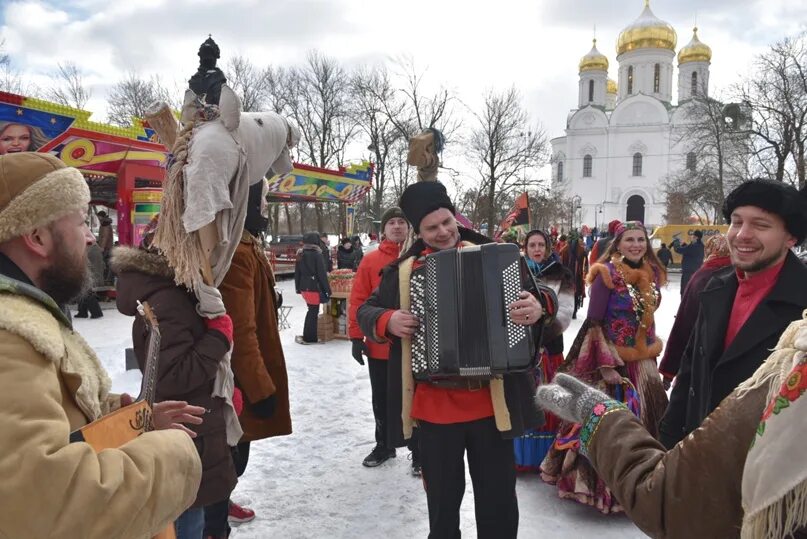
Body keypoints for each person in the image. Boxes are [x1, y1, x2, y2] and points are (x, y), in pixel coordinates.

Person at [0, 152, 203, 538]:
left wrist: (127, 421)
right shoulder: (9, 338)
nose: (91, 236)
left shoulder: (26, 319)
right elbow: (47, 503)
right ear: (37, 237)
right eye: (80, 222)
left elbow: (59, 430)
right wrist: (175, 454)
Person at [358, 181, 553, 539]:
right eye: (432, 228)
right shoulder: (404, 271)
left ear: (454, 216)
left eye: (447, 222)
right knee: (443, 506)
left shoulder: (498, 256)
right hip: (435, 408)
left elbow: (544, 296)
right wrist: (388, 320)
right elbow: (365, 312)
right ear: (419, 230)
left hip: (493, 405)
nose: (443, 232)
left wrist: (538, 308)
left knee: (498, 504)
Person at [535, 309, 807, 538]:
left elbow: (671, 500)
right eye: (628, 239)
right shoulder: (712, 285)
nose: (736, 241)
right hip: (630, 370)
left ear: (791, 241)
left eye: (640, 240)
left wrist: (600, 414)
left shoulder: (793, 371)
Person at [112, 217, 238, 539]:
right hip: (187, 429)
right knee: (186, 522)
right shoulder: (168, 299)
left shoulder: (173, 291)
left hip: (192, 424)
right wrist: (218, 339)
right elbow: (173, 377)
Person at [659, 179, 807, 449]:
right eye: (737, 222)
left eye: (760, 225)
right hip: (698, 454)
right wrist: (668, 442)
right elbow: (691, 370)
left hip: (762, 470)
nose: (741, 235)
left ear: (791, 237)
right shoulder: (716, 286)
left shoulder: (802, 301)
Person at [540, 220, 668, 514]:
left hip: (644, 362)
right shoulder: (605, 274)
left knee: (650, 426)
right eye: (629, 240)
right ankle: (607, 491)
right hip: (614, 364)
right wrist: (606, 364)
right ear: (618, 244)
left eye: (640, 240)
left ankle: (646, 487)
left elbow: (648, 319)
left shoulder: (652, 273)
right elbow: (594, 323)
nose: (636, 245)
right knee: (610, 428)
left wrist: (651, 354)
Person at [214, 181, 292, 534]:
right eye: (259, 198)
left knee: (234, 453)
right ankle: (217, 506)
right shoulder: (237, 251)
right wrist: (262, 389)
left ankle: (221, 498)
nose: (265, 204)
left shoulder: (247, 243)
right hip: (236, 381)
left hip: (240, 375)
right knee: (229, 452)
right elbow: (239, 331)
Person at [347, 207, 415, 470]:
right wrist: (355, 337)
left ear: (408, 228)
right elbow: (358, 300)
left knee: (415, 399)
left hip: (413, 346)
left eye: (402, 222)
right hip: (380, 346)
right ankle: (384, 445)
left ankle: (418, 449)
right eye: (392, 223)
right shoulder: (370, 260)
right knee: (382, 398)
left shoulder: (418, 256)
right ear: (383, 229)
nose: (397, 226)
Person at [514, 229, 574, 471]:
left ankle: (546, 457)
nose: (537, 249)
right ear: (525, 248)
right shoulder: (515, 272)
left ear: (548, 248)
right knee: (524, 402)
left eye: (541, 245)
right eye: (532, 245)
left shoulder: (562, 274)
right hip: (521, 350)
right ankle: (522, 457)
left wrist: (540, 336)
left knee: (549, 403)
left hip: (549, 349)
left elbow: (564, 315)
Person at [658, 233, 731, 387]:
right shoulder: (744, 275)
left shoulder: (703, 277)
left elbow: (684, 324)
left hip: (700, 358)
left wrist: (669, 370)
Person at [294, 232, 331, 344]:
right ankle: (310, 337)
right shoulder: (317, 254)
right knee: (313, 311)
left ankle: (309, 336)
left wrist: (298, 288)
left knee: (311, 310)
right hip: (314, 286)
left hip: (304, 287)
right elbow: (321, 274)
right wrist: (327, 290)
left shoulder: (301, 253)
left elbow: (297, 272)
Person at [559, 230, 588, 319]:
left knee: (568, 293)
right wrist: (585, 273)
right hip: (577, 276)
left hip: (567, 275)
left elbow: (561, 263)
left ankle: (569, 310)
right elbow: (586, 264)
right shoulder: (581, 249)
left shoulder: (564, 250)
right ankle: (574, 311)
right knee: (576, 293)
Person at [75, 242, 104, 318]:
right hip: (93, 273)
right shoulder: (95, 249)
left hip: (88, 273)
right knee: (83, 291)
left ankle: (96, 312)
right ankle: (82, 311)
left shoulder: (88, 250)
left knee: (87, 292)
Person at [672, 229, 704, 294]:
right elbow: (690, 251)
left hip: (688, 273)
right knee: (692, 292)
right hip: (696, 271)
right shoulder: (701, 246)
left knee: (685, 291)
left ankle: (684, 304)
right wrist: (684, 245)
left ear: (696, 237)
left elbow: (677, 249)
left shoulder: (693, 246)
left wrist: (676, 241)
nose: (691, 237)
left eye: (692, 236)